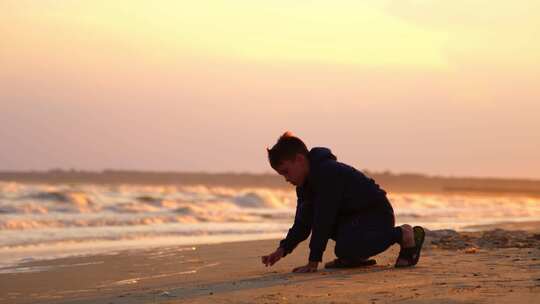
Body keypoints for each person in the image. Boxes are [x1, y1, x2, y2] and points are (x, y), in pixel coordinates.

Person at [261, 131, 425, 273]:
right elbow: (303, 223)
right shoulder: (305, 186)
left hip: (377, 215)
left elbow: (324, 218)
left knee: (343, 245)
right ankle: (353, 257)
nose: (286, 179)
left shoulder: (327, 173)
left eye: (286, 172)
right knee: (342, 246)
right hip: (355, 220)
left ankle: (403, 234)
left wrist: (313, 261)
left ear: (299, 160)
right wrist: (282, 250)